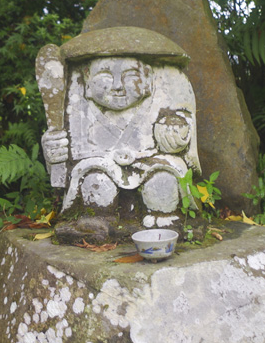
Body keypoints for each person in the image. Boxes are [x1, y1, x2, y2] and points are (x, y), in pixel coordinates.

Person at [39, 27, 200, 214]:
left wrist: (177, 132)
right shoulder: (74, 102)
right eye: (105, 76)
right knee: (95, 184)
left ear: (148, 79)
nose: (117, 86)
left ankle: (163, 219)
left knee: (163, 182)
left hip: (151, 164)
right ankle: (96, 221)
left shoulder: (168, 88)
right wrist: (53, 147)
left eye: (130, 75)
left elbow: (184, 130)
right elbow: (63, 148)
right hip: (97, 168)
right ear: (87, 79)